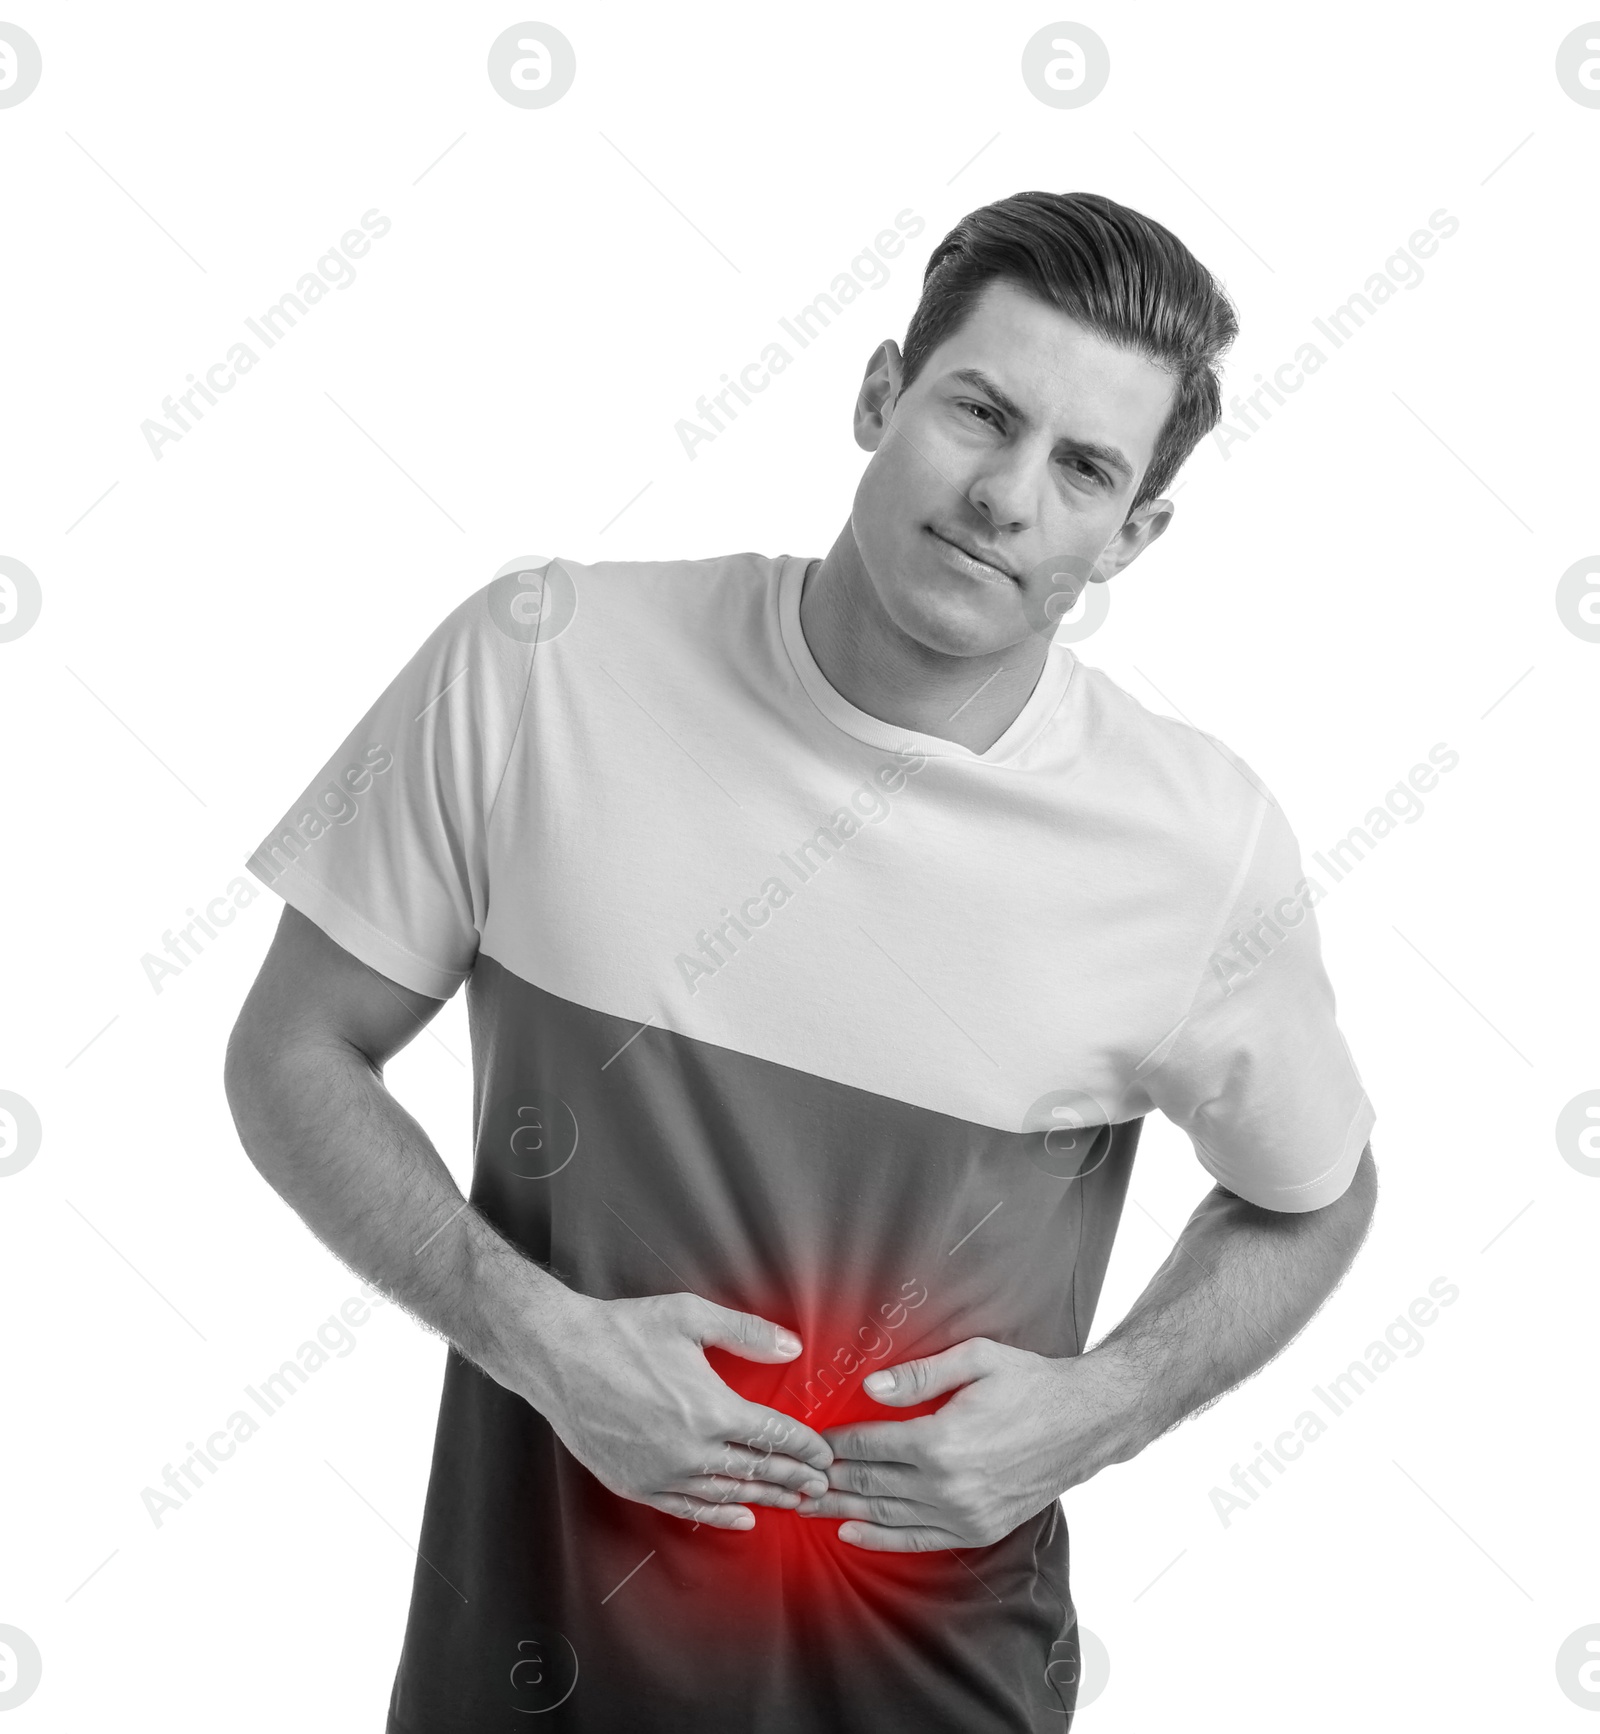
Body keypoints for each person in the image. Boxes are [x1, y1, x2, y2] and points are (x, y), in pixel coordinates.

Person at [224, 188, 1376, 1732]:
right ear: (882, 393)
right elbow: (291, 1051)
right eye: (982, 412)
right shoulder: (540, 665)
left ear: (1132, 534)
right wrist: (536, 1334)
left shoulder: (1195, 842)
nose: (1008, 495)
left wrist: (1099, 1409)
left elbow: (1315, 1194)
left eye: (1084, 467)